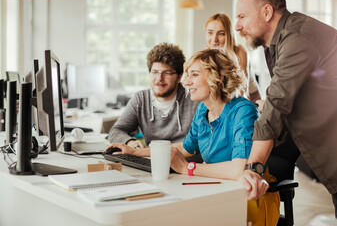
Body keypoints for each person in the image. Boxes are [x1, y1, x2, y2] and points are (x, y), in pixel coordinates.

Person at [107, 49, 280, 226]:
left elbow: (239, 168)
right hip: (217, 190)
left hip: (247, 197)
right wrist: (136, 153)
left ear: (218, 78)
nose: (187, 82)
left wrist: (186, 168)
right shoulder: (203, 110)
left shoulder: (243, 111)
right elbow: (185, 148)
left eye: (194, 75)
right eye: (187, 74)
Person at [235, 0, 337, 218]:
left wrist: (253, 169)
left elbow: (276, 106)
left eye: (242, 16)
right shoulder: (277, 43)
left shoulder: (297, 37)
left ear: (267, 12)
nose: (237, 26)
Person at [108, 42, 199, 149]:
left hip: (188, 163)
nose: (159, 78)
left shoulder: (194, 98)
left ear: (179, 77)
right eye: (155, 72)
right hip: (152, 161)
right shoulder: (141, 99)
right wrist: (129, 141)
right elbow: (116, 131)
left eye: (167, 73)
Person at [205, 13, 261, 103]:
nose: (214, 39)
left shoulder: (240, 51)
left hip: (250, 97)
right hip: (225, 99)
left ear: (228, 35)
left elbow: (242, 89)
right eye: (210, 32)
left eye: (221, 34)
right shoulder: (206, 56)